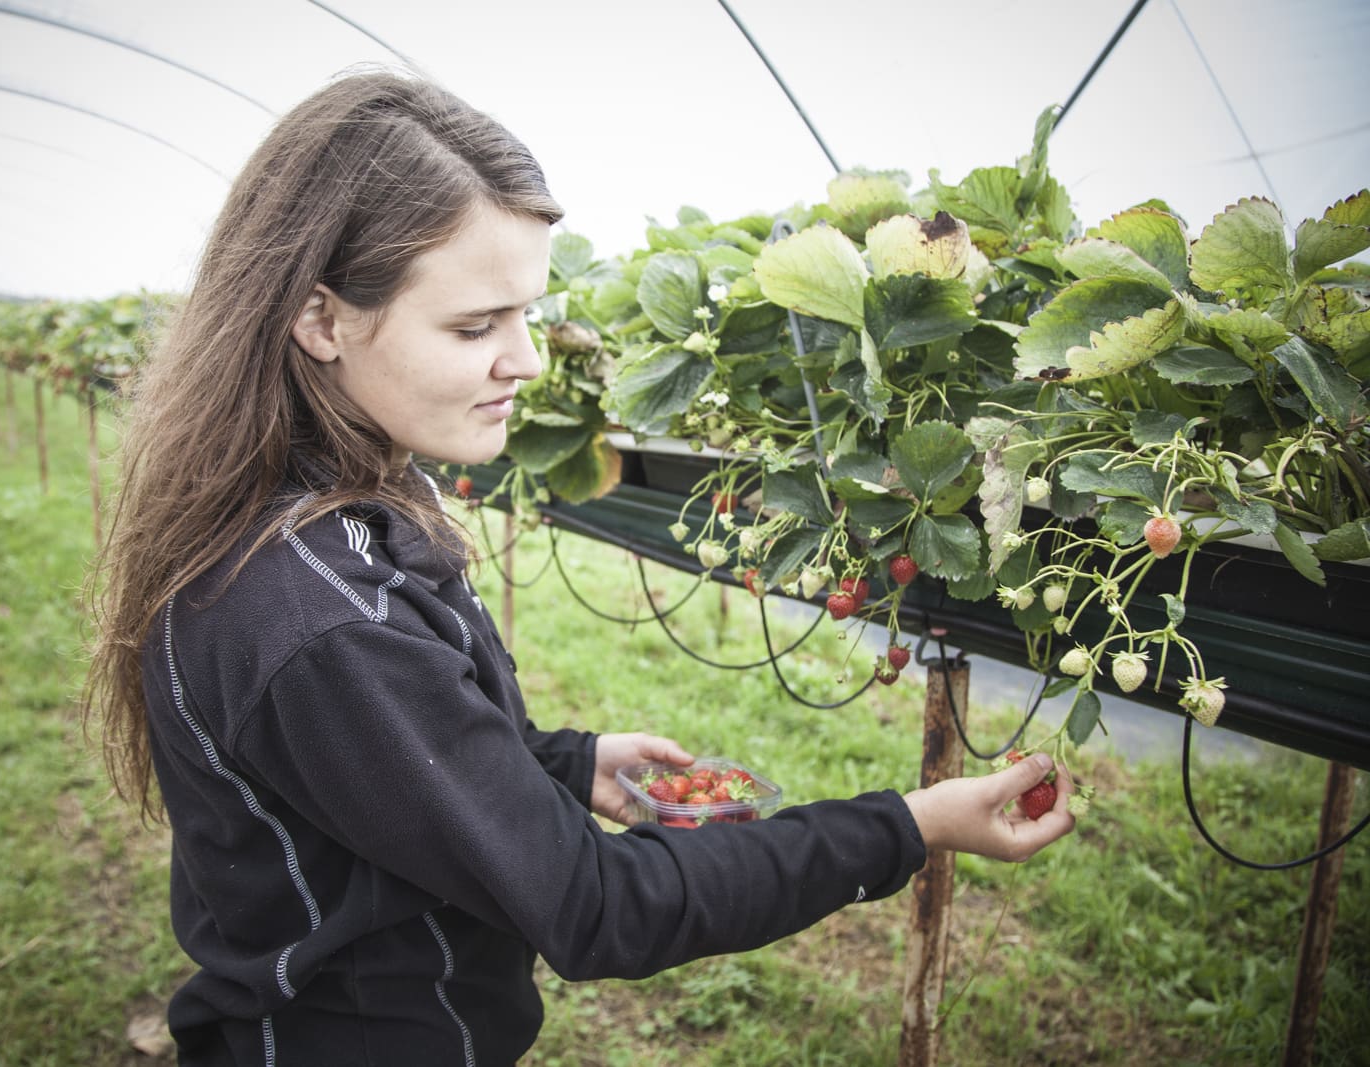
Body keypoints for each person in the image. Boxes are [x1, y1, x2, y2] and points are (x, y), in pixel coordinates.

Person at [82, 67, 1074, 1066]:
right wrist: (908, 823)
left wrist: (560, 761)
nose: (528, 360)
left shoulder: (335, 502)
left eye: (528, 314)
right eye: (475, 326)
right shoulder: (320, 617)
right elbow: (598, 908)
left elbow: (386, 772)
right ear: (322, 318)